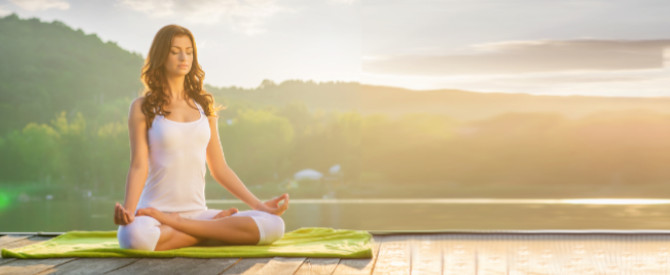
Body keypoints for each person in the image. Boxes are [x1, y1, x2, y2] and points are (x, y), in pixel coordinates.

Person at [113, 24, 289, 251]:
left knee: (274, 224)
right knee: (133, 237)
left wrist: (259, 205)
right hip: (154, 214)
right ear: (160, 56)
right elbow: (138, 165)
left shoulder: (204, 106)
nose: (183, 57)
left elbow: (219, 167)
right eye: (175, 51)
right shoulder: (142, 107)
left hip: (198, 213)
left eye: (189, 51)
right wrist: (128, 210)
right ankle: (210, 232)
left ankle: (185, 227)